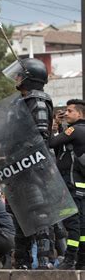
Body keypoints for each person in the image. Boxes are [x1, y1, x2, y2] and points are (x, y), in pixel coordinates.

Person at [3, 58, 54, 269]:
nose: (17, 78)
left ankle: (44, 260)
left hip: (33, 165)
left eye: (20, 74)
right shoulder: (21, 102)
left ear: (30, 78)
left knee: (39, 211)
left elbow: (39, 136)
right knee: (19, 214)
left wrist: (22, 154)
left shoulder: (37, 101)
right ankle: (22, 261)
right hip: (17, 166)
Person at [49, 99, 85, 269]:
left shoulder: (75, 130)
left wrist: (53, 124)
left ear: (80, 113)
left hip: (71, 184)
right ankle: (82, 260)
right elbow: (60, 151)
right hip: (79, 185)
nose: (67, 113)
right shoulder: (79, 131)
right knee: (82, 225)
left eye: (70, 111)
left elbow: (51, 143)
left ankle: (70, 259)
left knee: (73, 224)